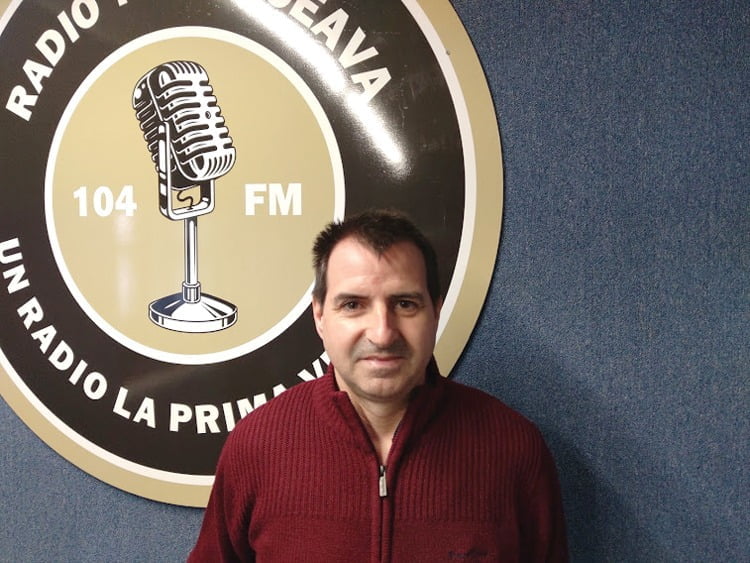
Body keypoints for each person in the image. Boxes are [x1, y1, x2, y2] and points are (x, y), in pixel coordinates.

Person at [188, 209, 568, 562]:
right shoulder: (257, 446)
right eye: (353, 305)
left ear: (436, 311)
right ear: (319, 316)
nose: (383, 333)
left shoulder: (514, 450)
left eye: (404, 304)